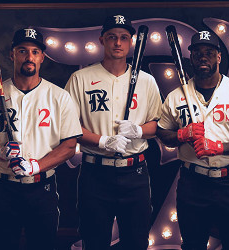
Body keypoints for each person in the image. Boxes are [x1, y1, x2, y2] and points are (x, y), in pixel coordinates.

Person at [0, 28, 82, 250]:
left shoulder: (59, 97)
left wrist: (35, 165)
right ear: (12, 54)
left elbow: (69, 146)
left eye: (35, 51)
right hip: (2, 188)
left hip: (42, 188)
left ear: (42, 57)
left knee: (43, 245)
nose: (29, 57)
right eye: (23, 51)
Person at [156, 30, 229, 250]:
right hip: (192, 183)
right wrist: (181, 135)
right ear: (191, 58)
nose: (203, 57)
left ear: (219, 57)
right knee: (193, 244)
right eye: (197, 53)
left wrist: (219, 147)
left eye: (209, 52)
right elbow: (162, 132)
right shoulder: (176, 96)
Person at [64, 14, 162, 250]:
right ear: (101, 40)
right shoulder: (80, 78)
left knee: (136, 241)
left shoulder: (147, 81)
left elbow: (159, 125)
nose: (118, 43)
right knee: (95, 241)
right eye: (112, 37)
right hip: (94, 174)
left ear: (131, 43)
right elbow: (68, 127)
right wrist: (103, 141)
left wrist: (138, 130)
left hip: (135, 172)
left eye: (123, 37)